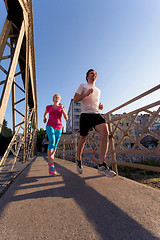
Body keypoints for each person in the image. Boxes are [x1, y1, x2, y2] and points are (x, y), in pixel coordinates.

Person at [73, 69, 116, 177]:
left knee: (105, 131)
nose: (94, 75)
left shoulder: (98, 90)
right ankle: (78, 159)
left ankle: (101, 165)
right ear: (87, 76)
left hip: (96, 114)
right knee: (83, 139)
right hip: (85, 115)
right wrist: (86, 94)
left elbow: (94, 104)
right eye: (92, 73)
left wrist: (99, 107)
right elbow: (75, 99)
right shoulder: (83, 86)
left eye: (95, 74)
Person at [43, 93, 68, 175]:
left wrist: (62, 109)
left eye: (58, 97)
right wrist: (45, 118)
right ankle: (51, 165)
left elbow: (66, 118)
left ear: (60, 99)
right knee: (52, 141)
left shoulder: (62, 107)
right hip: (50, 126)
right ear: (53, 99)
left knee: (55, 145)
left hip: (59, 127)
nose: (56, 98)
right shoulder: (48, 107)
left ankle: (51, 161)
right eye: (55, 97)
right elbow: (45, 113)